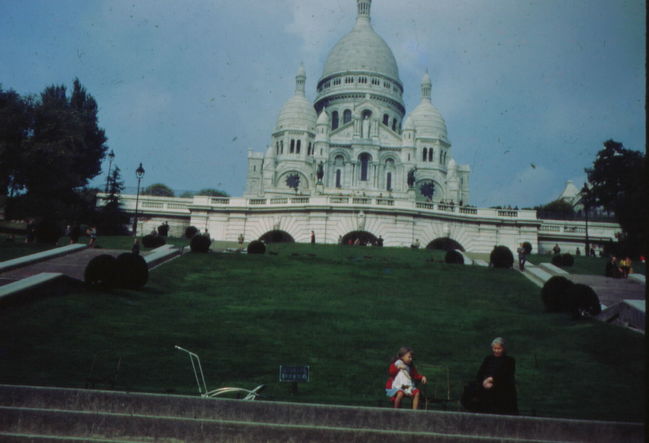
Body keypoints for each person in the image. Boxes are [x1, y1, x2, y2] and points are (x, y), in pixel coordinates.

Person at [475, 337, 518, 415]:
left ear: (503, 349)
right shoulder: (488, 359)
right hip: (487, 391)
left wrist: (491, 379)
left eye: (499, 349)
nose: (496, 351)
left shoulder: (509, 361)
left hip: (503, 392)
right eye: (494, 348)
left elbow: (506, 375)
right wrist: (484, 382)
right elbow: (480, 373)